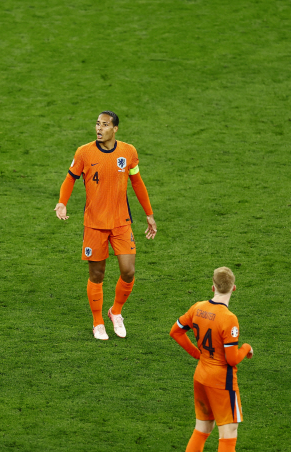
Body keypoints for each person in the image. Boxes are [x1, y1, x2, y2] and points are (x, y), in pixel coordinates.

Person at [54, 111, 157, 340]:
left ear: (115, 129)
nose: (99, 129)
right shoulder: (84, 152)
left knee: (128, 272)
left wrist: (149, 214)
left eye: (105, 125)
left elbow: (137, 182)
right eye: (97, 124)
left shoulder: (128, 152)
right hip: (95, 224)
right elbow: (70, 178)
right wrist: (62, 203)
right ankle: (98, 322)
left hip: (121, 222)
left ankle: (115, 312)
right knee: (97, 274)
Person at [169, 267, 253, 452]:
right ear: (234, 288)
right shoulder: (229, 319)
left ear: (212, 287)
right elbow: (231, 360)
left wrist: (197, 354)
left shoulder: (197, 308)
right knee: (229, 432)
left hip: (201, 376)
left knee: (202, 428)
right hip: (222, 382)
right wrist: (246, 348)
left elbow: (175, 332)